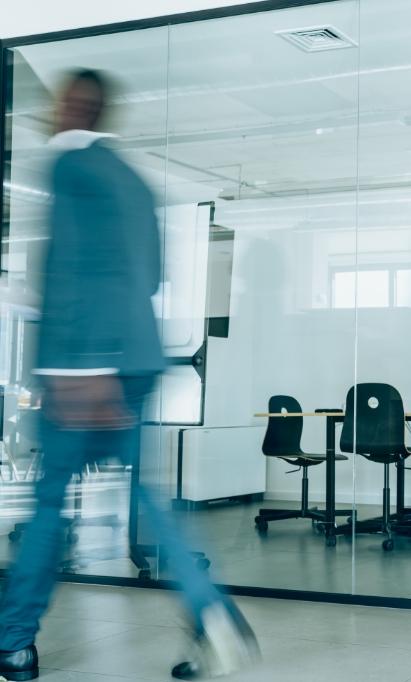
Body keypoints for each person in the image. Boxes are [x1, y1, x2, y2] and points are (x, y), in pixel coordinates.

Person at [0, 70, 260, 681]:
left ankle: (13, 642)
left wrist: (79, 370)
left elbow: (75, 272)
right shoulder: (133, 181)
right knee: (148, 497)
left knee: (46, 505)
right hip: (134, 358)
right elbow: (145, 276)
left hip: (84, 367)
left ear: (74, 108)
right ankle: (211, 611)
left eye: (58, 102)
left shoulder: (69, 168)